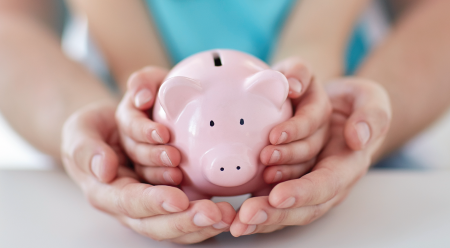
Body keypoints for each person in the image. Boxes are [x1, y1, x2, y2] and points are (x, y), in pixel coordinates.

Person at [0, 0, 449, 244]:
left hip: (368, 180)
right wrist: (81, 122)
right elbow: (12, 20)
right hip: (115, 160)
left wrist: (369, 114)